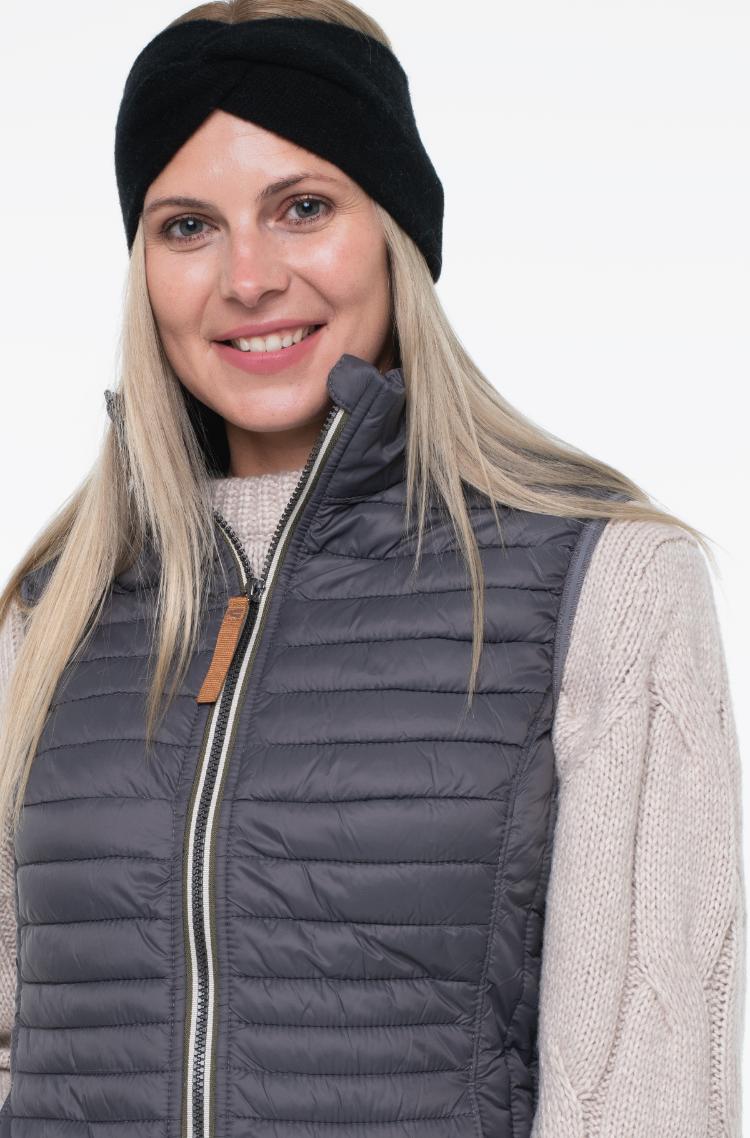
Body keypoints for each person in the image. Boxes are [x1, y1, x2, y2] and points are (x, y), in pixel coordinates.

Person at [0, 2, 744, 1136]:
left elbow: (644, 1098)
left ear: (395, 232)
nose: (249, 277)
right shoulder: (50, 616)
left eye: (303, 208)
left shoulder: (604, 585)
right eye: (187, 226)